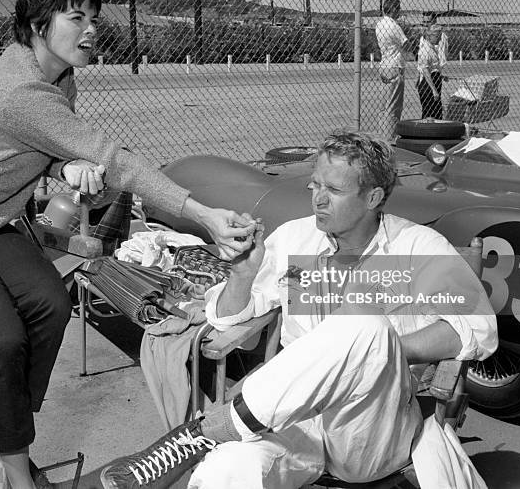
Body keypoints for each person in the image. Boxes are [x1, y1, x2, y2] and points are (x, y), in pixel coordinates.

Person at [0, 0, 255, 489]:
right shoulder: (21, 91)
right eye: (76, 19)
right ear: (38, 27)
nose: (91, 31)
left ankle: (1, 443)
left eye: (94, 20)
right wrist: (203, 214)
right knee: (2, 335)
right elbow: (114, 161)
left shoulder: (59, 77)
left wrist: (62, 170)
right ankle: (12, 475)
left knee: (51, 304)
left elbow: (28, 152)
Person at [99, 130, 497, 489]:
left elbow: (476, 328)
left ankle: (208, 429)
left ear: (373, 197)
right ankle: (212, 437)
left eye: (334, 191)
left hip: (371, 427)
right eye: (314, 185)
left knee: (364, 328)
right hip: (293, 419)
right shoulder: (295, 239)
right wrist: (242, 274)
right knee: (225, 469)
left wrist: (380, 351)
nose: (317, 199)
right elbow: (229, 320)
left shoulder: (417, 247)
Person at [375, 0, 411, 141]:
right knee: (394, 106)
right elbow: (406, 43)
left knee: (385, 105)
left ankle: (383, 134)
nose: (400, 11)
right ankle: (390, 138)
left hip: (384, 64)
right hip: (395, 66)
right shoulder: (394, 25)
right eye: (399, 8)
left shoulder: (380, 24)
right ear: (394, 9)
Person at [417, 24, 449, 119]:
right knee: (428, 114)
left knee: (437, 113)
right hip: (428, 86)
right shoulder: (425, 50)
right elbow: (426, 71)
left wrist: (441, 76)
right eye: (438, 37)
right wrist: (434, 90)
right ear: (431, 36)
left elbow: (433, 68)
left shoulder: (432, 48)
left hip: (434, 81)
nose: (440, 40)